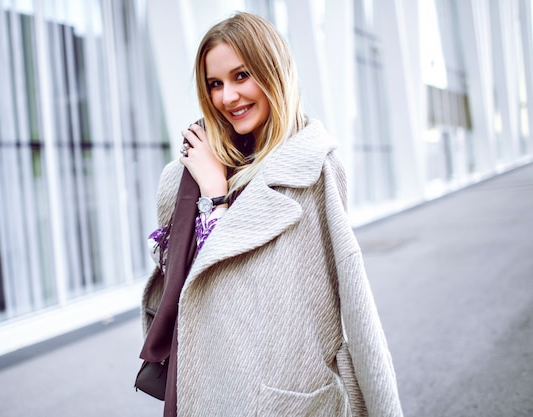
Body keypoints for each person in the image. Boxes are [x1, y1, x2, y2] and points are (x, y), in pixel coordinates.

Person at [138, 12, 404, 417]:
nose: (228, 97)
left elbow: (354, 298)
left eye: (241, 76)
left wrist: (216, 198)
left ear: (273, 72)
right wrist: (209, 189)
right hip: (206, 390)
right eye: (215, 84)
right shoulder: (184, 179)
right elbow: (188, 295)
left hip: (285, 397)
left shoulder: (312, 168)